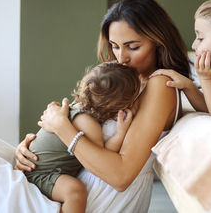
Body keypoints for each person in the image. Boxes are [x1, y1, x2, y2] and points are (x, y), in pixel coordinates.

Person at [15, 0, 190, 212]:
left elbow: (121, 176)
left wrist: (62, 129)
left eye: (133, 47)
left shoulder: (160, 84)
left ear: (158, 41)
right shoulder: (122, 81)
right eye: (115, 46)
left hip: (106, 202)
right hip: (68, 193)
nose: (121, 57)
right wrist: (33, 150)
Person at [25, 62, 140, 213]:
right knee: (75, 191)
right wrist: (120, 133)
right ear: (120, 107)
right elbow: (100, 157)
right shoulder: (88, 124)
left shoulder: (76, 107)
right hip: (40, 174)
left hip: (35, 167)